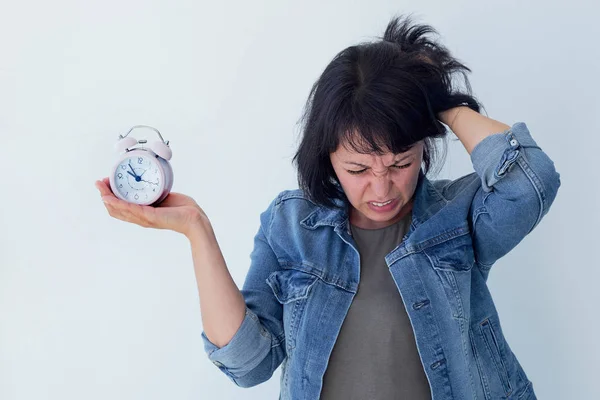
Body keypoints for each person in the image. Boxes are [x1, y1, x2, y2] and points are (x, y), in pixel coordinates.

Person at [95, 14, 560, 400]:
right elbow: (248, 364)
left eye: (402, 161)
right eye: (358, 169)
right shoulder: (291, 225)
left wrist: (435, 101)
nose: (382, 187)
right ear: (327, 158)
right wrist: (196, 228)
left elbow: (530, 181)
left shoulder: (457, 215)